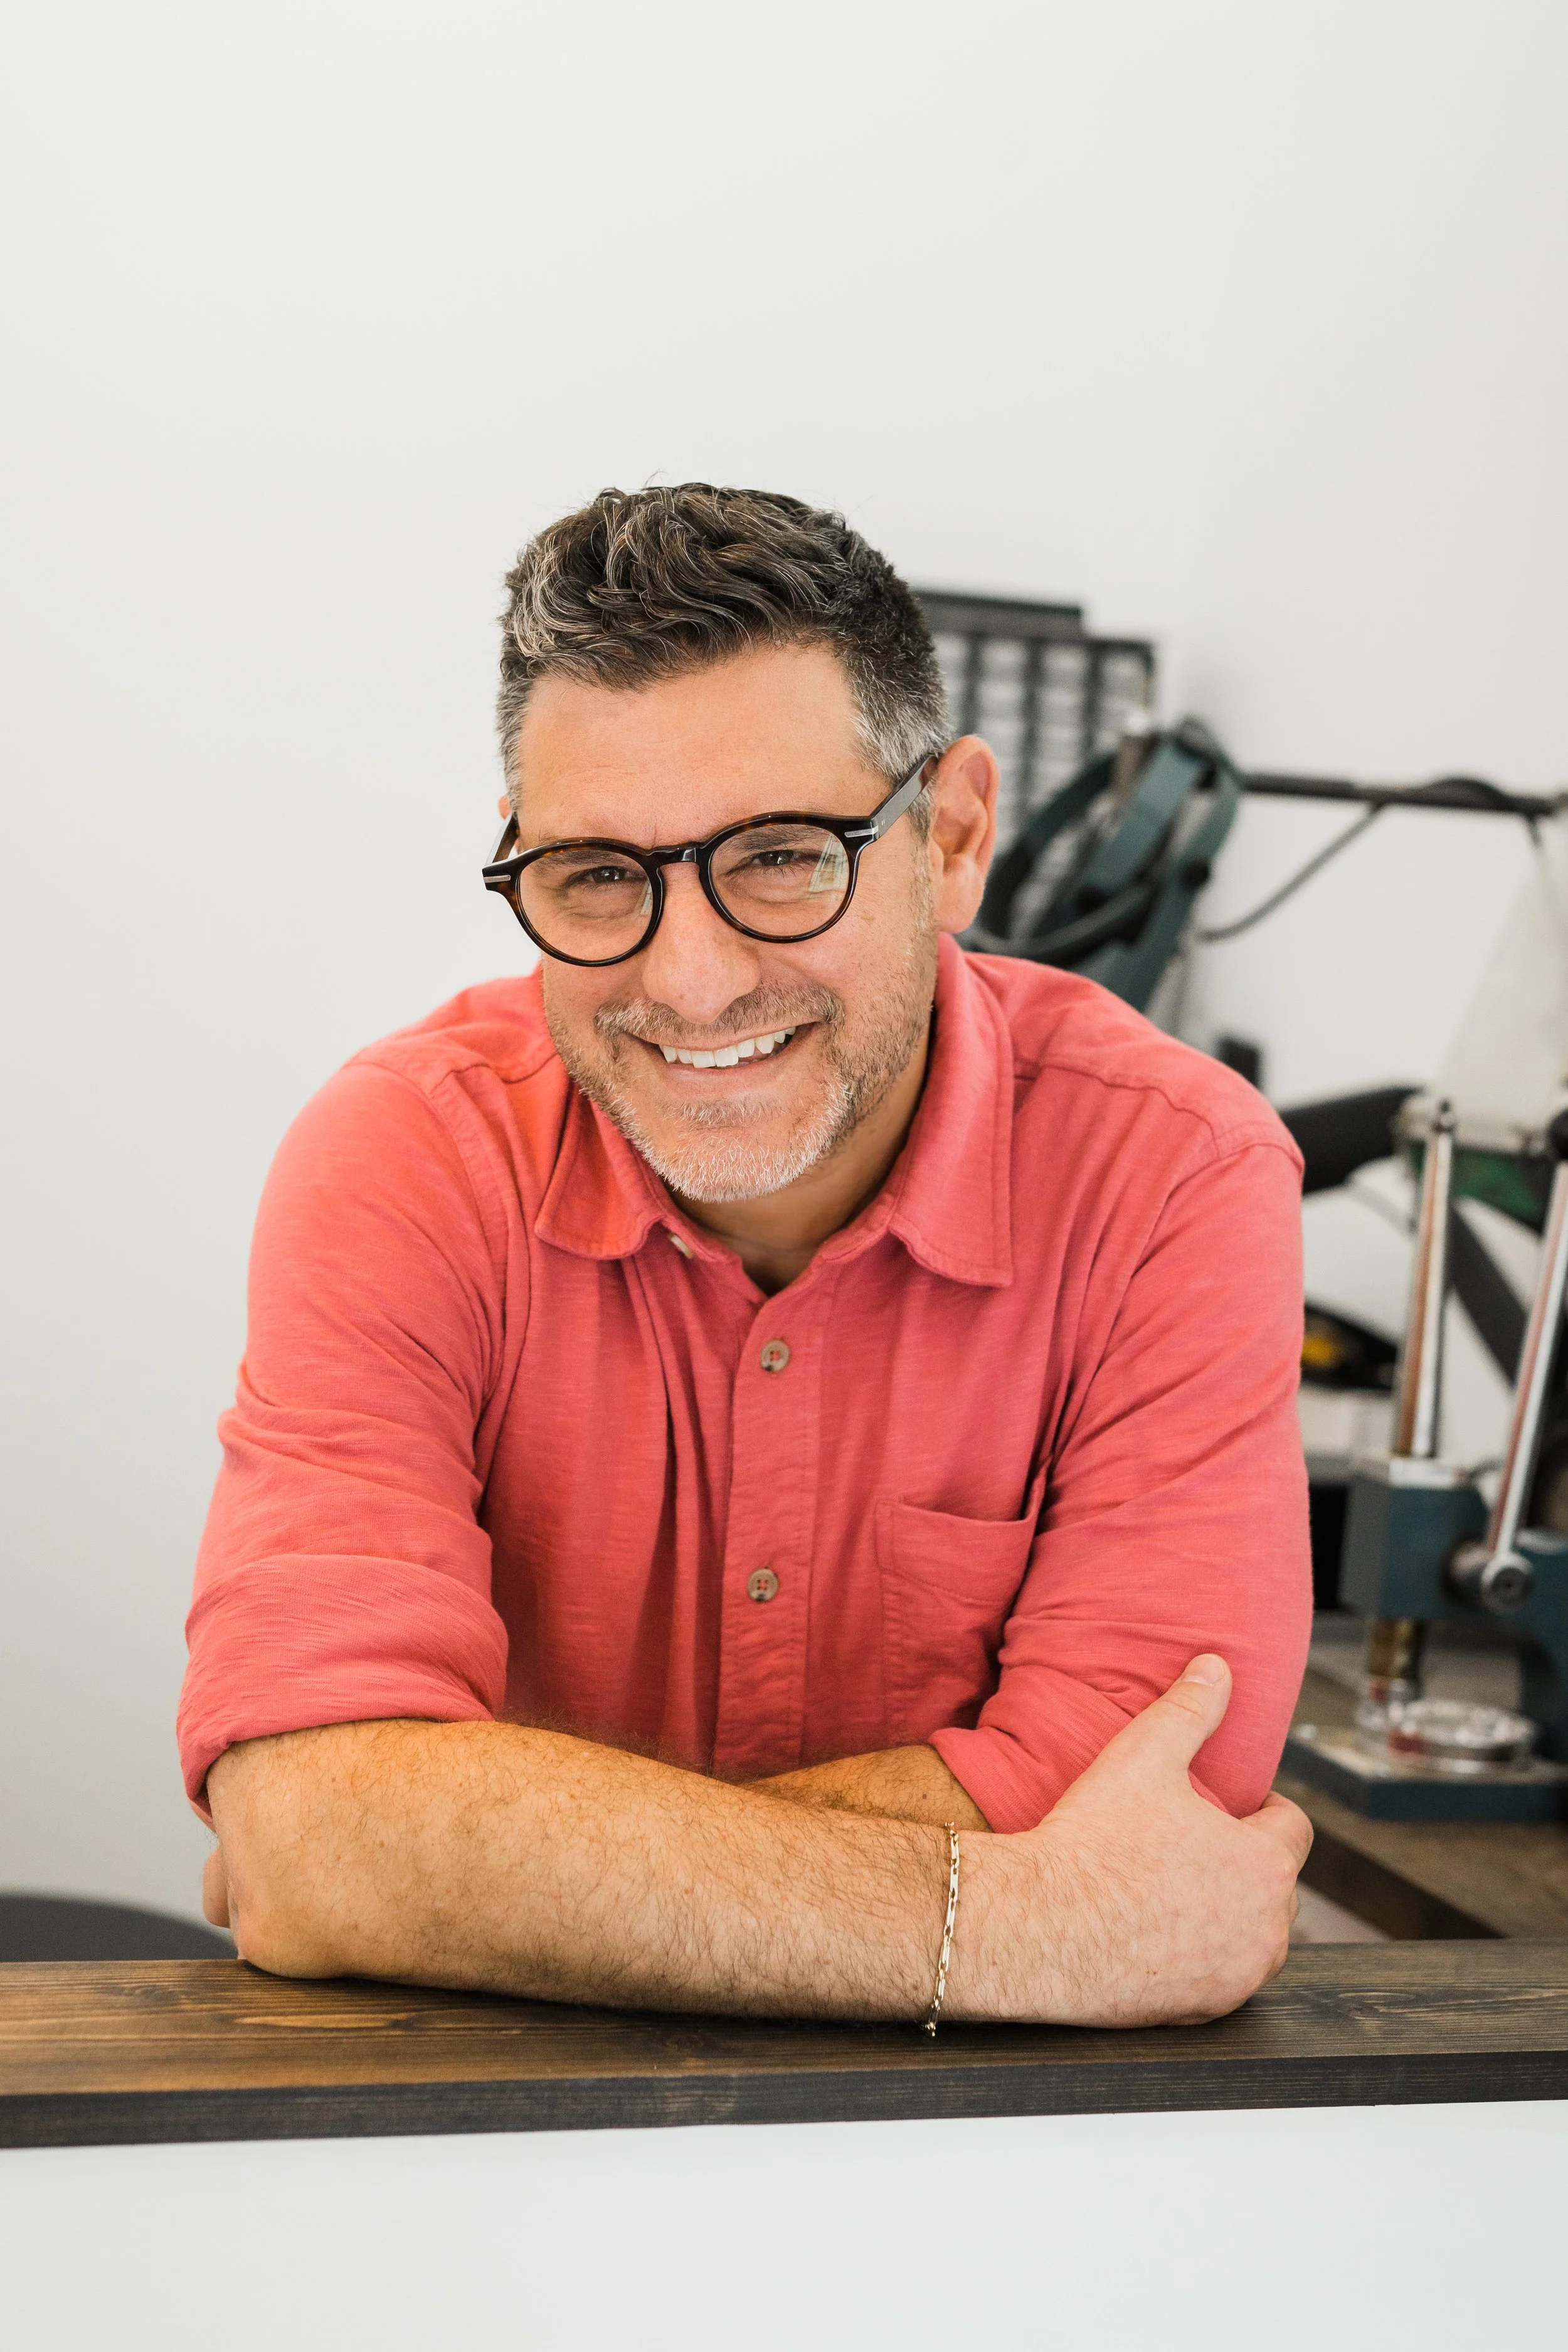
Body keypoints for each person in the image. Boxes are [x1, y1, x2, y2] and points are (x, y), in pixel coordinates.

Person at [184, 484, 1313, 2028]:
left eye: (783, 856)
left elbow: (1150, 1793)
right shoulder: (407, 1155)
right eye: (595, 877)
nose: (692, 981)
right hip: (482, 2151)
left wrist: (454, 1858)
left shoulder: (1176, 1178)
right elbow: (315, 1843)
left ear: (955, 838)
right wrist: (1000, 1929)